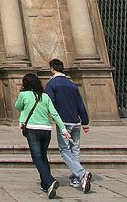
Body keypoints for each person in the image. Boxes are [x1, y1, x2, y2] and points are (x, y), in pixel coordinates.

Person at [16, 72, 72, 199]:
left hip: (33, 129)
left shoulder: (24, 95)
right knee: (43, 156)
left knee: (37, 158)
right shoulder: (45, 96)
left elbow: (18, 106)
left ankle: (50, 180)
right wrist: (63, 129)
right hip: (46, 130)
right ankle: (45, 184)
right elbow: (55, 114)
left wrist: (22, 95)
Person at [46, 59, 93, 193]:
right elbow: (80, 105)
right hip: (76, 121)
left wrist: (50, 118)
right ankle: (76, 179)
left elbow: (50, 103)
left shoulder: (52, 84)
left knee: (65, 150)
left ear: (52, 69)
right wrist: (85, 122)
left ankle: (81, 173)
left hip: (63, 122)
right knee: (75, 149)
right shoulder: (72, 85)